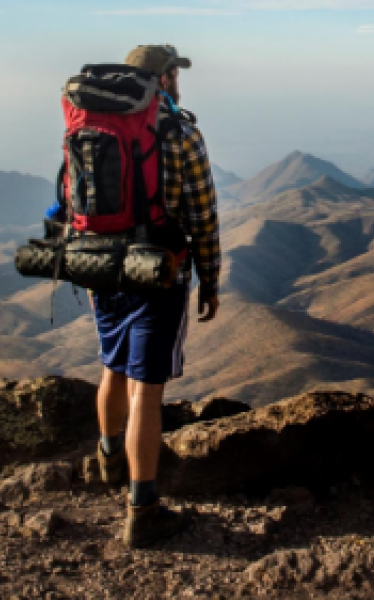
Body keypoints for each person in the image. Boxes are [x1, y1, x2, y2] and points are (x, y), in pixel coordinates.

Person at [91, 44, 221, 549]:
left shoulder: (98, 128)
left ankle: (107, 460)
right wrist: (209, 278)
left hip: (101, 266)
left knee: (112, 367)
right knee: (147, 386)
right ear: (163, 79)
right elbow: (202, 214)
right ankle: (142, 510)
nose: (177, 80)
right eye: (174, 73)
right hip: (159, 269)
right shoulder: (181, 133)